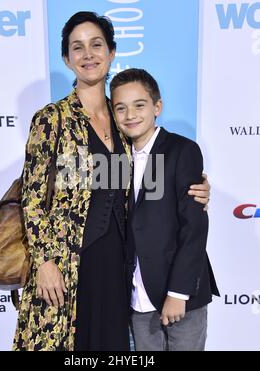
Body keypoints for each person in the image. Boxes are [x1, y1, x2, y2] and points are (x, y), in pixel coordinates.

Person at [12, 12, 210, 351]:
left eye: (96, 45)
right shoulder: (52, 119)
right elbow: (31, 199)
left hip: (119, 268)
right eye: (78, 47)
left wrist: (197, 188)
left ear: (112, 52)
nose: (88, 54)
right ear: (66, 59)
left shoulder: (124, 121)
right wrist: (44, 262)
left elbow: (154, 177)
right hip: (66, 267)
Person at [110, 68, 219, 351]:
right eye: (120, 108)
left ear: (157, 107)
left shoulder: (182, 150)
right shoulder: (115, 160)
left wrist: (178, 292)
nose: (130, 115)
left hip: (180, 295)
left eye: (139, 105)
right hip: (137, 300)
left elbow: (194, 227)